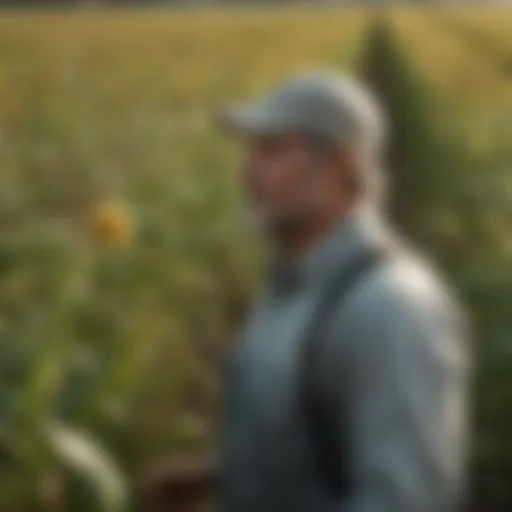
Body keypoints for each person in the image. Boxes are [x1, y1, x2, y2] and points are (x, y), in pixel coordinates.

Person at [144, 71, 470, 512]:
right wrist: (221, 476)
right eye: (250, 151)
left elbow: (404, 500)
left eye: (272, 150)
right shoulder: (290, 287)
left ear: (342, 165)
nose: (248, 173)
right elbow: (314, 430)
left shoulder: (391, 310)